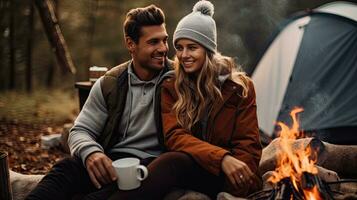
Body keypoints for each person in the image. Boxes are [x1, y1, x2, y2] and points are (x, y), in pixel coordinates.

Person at [108, 1, 262, 199]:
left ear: (208, 50)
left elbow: (248, 144)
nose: (184, 55)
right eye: (179, 48)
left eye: (192, 47)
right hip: (193, 169)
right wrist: (221, 158)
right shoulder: (172, 85)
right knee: (172, 161)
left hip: (232, 176)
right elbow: (174, 136)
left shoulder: (240, 87)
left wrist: (236, 183)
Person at [26, 4, 172, 200]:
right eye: (153, 42)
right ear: (131, 44)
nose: (163, 48)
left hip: (151, 168)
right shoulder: (109, 84)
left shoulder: (178, 80)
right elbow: (80, 130)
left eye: (165, 40)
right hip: (110, 162)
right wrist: (91, 153)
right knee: (65, 168)